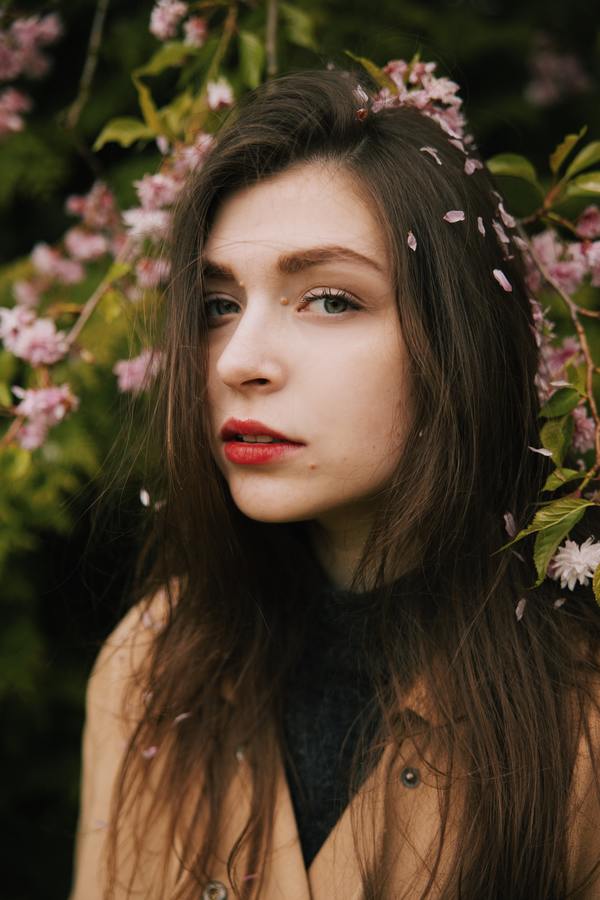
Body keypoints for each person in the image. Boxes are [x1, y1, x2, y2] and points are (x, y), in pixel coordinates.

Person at [69, 66, 600, 899]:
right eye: (217, 306)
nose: (239, 361)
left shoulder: (578, 725)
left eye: (326, 299)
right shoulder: (148, 666)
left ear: (454, 341)